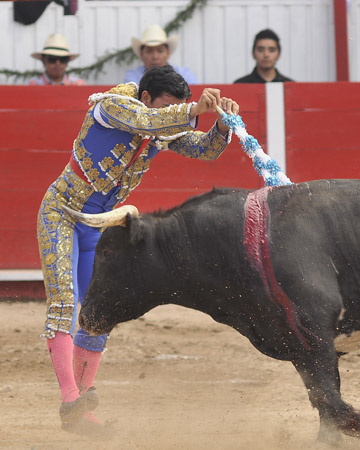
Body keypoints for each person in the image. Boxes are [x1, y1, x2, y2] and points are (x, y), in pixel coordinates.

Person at [37, 65, 238, 436]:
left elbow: (202, 149)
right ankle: (71, 399)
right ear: (146, 97)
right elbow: (147, 120)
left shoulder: (160, 125)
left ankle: (80, 413)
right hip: (61, 213)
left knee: (98, 311)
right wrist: (192, 110)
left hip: (102, 225)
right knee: (65, 302)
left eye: (175, 109)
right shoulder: (112, 105)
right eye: (165, 108)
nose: (169, 116)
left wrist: (221, 126)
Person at [124, 25, 198, 84]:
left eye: (160, 51)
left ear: (168, 53)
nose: (155, 57)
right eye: (149, 51)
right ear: (141, 54)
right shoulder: (133, 76)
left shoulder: (185, 73)